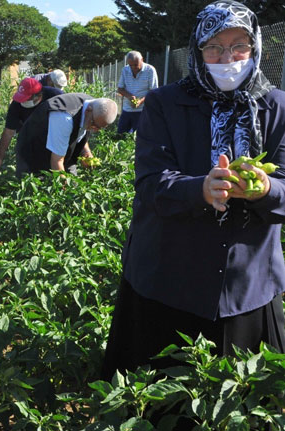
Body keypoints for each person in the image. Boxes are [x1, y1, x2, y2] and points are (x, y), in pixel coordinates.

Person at [102, 0, 285, 393]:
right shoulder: (166, 103)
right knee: (160, 400)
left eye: (239, 45)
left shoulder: (277, 106)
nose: (228, 57)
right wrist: (199, 188)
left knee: (242, 399)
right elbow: (151, 182)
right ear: (198, 49)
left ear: (255, 48)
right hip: (169, 277)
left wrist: (266, 188)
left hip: (245, 283)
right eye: (214, 47)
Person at [15, 94, 117, 176]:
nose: (96, 130)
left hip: (58, 149)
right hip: (33, 147)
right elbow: (57, 161)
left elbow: (81, 129)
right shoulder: (64, 117)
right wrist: (65, 193)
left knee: (73, 185)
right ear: (88, 111)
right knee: (36, 185)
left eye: (100, 127)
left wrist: (86, 152)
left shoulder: (94, 106)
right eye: (94, 125)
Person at [0, 77, 64, 172]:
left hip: (54, 135)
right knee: (27, 168)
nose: (22, 102)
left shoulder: (55, 95)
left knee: (53, 164)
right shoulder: (16, 103)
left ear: (39, 96)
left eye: (26, 99)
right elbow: (8, 132)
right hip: (29, 135)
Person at [116, 51, 158, 134]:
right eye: (130, 65)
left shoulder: (150, 70)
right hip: (127, 109)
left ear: (142, 59)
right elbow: (120, 88)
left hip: (143, 111)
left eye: (135, 65)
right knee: (120, 135)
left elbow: (153, 92)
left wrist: (140, 101)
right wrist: (129, 96)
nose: (133, 68)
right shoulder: (125, 70)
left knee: (140, 137)